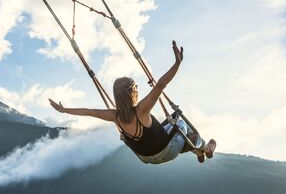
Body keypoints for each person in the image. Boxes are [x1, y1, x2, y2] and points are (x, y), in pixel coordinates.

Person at [49, 40, 216, 164]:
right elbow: (161, 85)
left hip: (145, 156)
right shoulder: (141, 110)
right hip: (165, 152)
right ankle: (203, 148)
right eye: (135, 86)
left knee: (170, 125)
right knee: (179, 123)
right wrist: (177, 64)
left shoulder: (114, 116)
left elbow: (86, 111)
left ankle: (198, 152)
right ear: (132, 93)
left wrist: (64, 110)